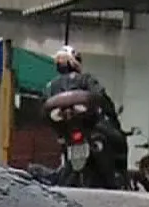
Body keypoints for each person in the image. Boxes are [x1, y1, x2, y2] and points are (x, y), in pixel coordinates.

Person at [46, 44, 128, 174]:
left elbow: (45, 111)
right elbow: (102, 98)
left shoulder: (51, 86)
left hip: (66, 134)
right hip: (88, 128)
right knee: (120, 140)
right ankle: (120, 175)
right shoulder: (85, 79)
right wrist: (112, 116)